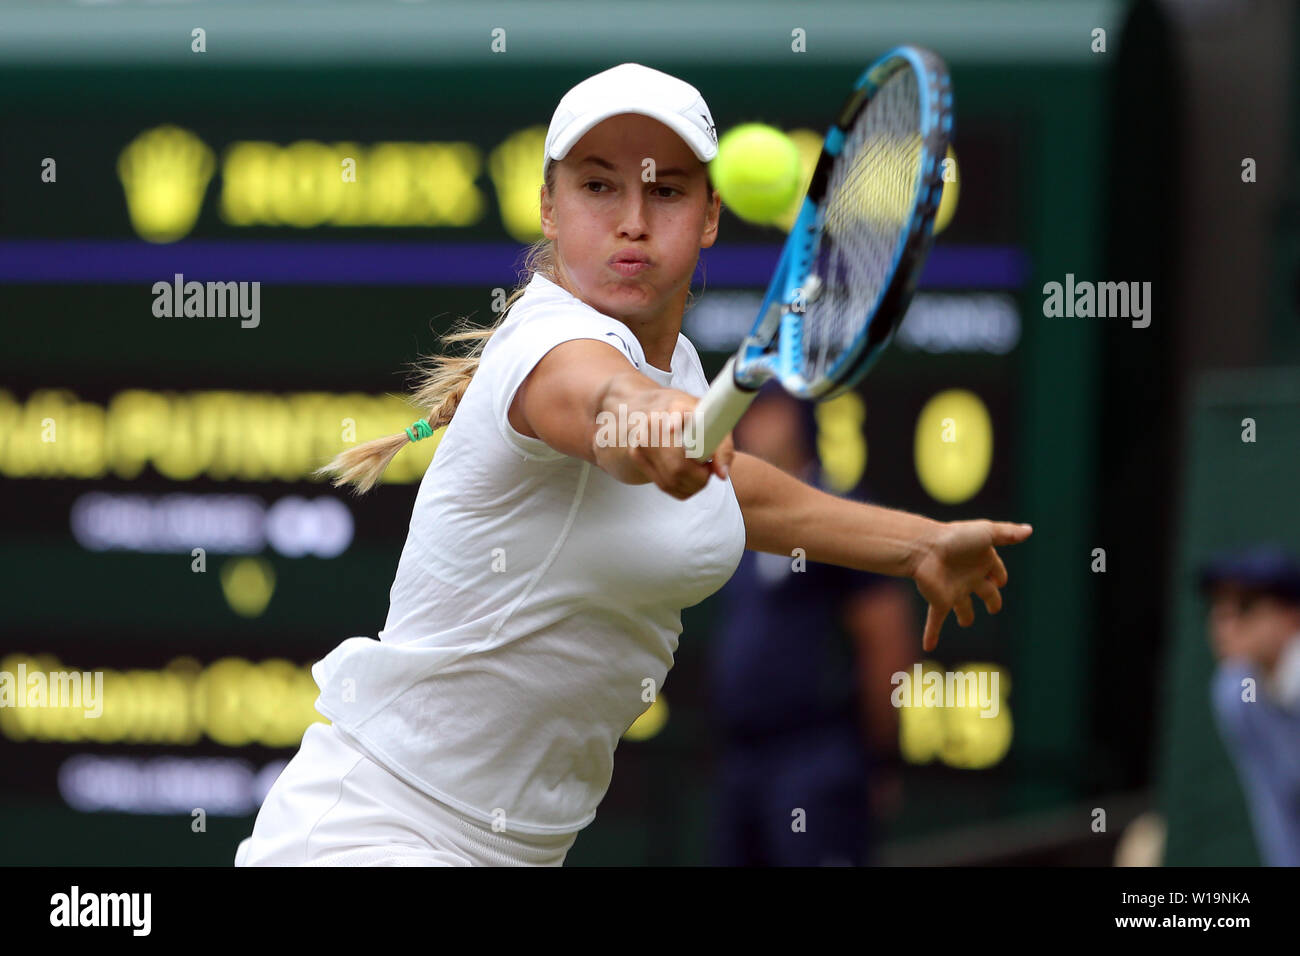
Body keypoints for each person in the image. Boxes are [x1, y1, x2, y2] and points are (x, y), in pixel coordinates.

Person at [234, 62, 1033, 867]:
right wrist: (652, 424)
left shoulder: (682, 371)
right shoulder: (544, 349)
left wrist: (919, 545)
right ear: (549, 207)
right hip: (369, 835)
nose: (634, 222)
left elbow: (747, 498)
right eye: (599, 187)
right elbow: (602, 401)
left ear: (711, 214)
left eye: (669, 192)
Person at [709, 382, 915, 866]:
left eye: (769, 412)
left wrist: (880, 758)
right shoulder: (734, 520)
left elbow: (887, 640)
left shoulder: (842, 513)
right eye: (747, 413)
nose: (753, 425)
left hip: (819, 758)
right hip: (742, 762)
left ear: (799, 419)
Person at [1201, 544, 1300, 867]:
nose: (1224, 623)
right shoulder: (1234, 693)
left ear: (1291, 615)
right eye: (1218, 607)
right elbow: (1272, 807)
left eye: (1245, 606)